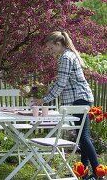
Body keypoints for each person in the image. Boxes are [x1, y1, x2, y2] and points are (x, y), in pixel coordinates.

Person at [33, 31, 106, 180]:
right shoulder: (67, 55)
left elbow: (61, 83)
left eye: (51, 48)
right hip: (82, 99)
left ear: (58, 44)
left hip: (80, 99)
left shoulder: (66, 57)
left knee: (83, 137)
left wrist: (44, 100)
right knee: (82, 136)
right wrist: (46, 94)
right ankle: (84, 174)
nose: (50, 51)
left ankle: (99, 174)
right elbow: (59, 83)